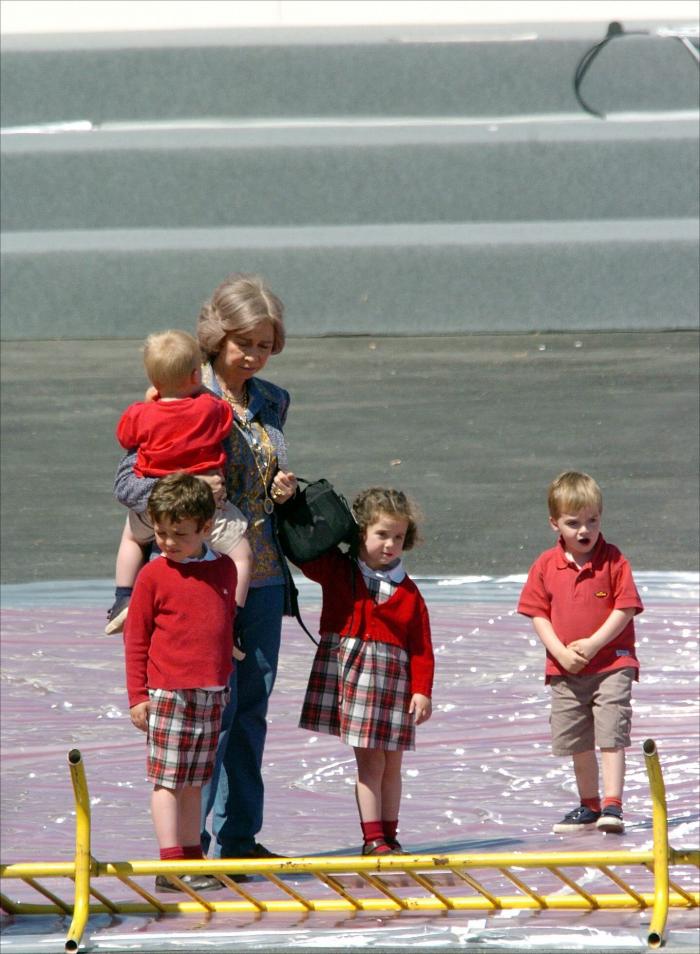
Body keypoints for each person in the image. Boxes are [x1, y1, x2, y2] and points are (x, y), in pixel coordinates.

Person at [113, 273, 297, 863]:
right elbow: (126, 482)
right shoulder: (183, 396)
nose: (254, 354)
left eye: (265, 344)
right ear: (216, 340)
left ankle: (240, 839)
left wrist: (284, 489)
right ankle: (196, 848)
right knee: (206, 719)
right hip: (197, 579)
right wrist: (185, 486)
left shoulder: (272, 400)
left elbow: (261, 479)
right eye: (244, 342)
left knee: (250, 714)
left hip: (262, 572)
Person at [297, 487, 434, 855]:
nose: (390, 544)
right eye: (381, 534)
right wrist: (291, 507)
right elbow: (306, 556)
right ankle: (373, 838)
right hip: (355, 677)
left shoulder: (409, 592)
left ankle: (389, 835)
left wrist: (422, 690)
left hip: (394, 684)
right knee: (371, 762)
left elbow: (421, 649)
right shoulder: (339, 571)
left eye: (398, 537)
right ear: (361, 534)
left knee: (392, 764)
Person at [123, 472, 237, 893]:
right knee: (168, 780)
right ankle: (171, 862)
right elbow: (137, 638)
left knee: (195, 781)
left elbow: (222, 628)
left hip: (210, 692)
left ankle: (192, 856)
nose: (168, 542)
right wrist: (138, 695)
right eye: (161, 532)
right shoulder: (153, 575)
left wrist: (222, 680)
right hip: (167, 693)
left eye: (179, 533)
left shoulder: (223, 569)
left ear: (206, 527)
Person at [517, 471, 643, 835]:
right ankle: (589, 804)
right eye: (573, 523)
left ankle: (613, 805)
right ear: (554, 523)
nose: (584, 530)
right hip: (566, 671)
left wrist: (592, 644)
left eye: (592, 521)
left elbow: (625, 609)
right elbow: (537, 613)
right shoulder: (545, 565)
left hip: (612, 664)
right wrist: (559, 651)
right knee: (578, 739)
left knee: (611, 733)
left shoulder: (614, 560)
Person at [106, 329, 252, 635]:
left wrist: (150, 402)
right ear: (196, 374)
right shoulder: (209, 409)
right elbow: (226, 419)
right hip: (203, 507)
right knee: (241, 554)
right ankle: (233, 615)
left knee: (132, 539)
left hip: (156, 508)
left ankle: (122, 597)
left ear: (154, 382)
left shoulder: (141, 414)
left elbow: (124, 437)